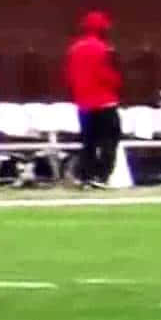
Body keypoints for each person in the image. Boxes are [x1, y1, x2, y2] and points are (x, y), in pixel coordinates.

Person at [65, 11, 123, 190]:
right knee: (109, 140)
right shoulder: (105, 49)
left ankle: (86, 176)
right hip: (105, 102)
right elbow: (109, 76)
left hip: (83, 104)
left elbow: (70, 76)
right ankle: (101, 176)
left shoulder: (74, 49)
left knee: (88, 142)